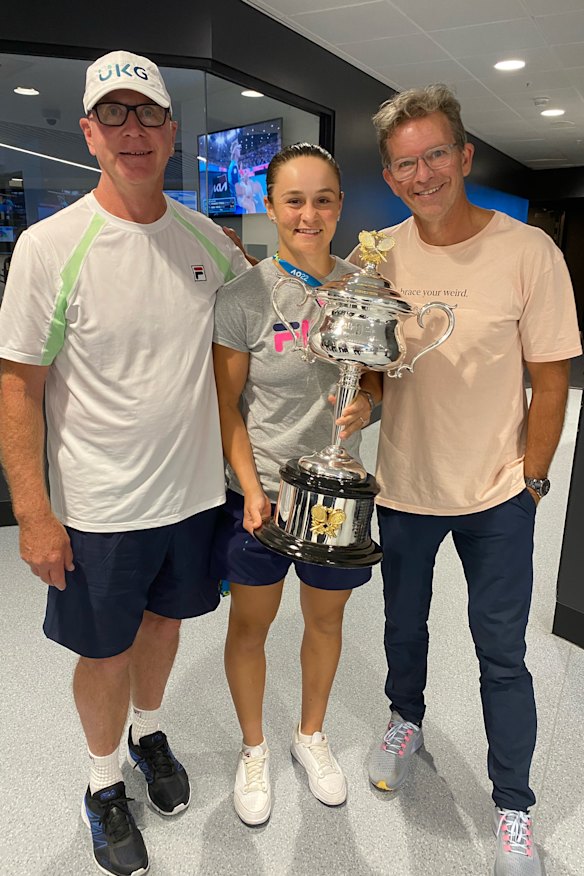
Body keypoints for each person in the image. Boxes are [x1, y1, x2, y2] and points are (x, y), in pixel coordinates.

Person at [0, 50, 249, 876]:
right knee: (102, 651)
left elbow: (268, 318)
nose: (133, 131)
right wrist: (34, 514)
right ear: (89, 132)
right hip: (100, 508)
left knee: (166, 624)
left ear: (172, 132)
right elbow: (19, 390)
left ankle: (149, 733)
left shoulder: (204, 238)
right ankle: (103, 782)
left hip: (190, 496)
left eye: (147, 115)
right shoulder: (49, 247)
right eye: (115, 116)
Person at [350, 85, 582, 875]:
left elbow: (550, 380)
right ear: (388, 175)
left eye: (436, 154)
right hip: (405, 489)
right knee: (401, 629)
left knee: (502, 656)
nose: (423, 174)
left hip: (495, 495)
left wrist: (533, 481)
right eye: (406, 163)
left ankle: (513, 807)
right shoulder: (377, 254)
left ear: (465, 155)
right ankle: (404, 720)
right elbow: (373, 367)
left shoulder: (528, 253)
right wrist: (362, 404)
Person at [212, 143, 382, 826]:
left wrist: (369, 400)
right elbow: (223, 406)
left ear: (340, 206)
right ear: (271, 206)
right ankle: (253, 747)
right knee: (251, 624)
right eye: (294, 200)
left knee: (326, 618)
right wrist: (251, 489)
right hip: (262, 495)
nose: (308, 213)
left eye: (323, 199)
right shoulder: (243, 297)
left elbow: (374, 372)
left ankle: (308, 734)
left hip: (337, 498)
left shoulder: (365, 289)